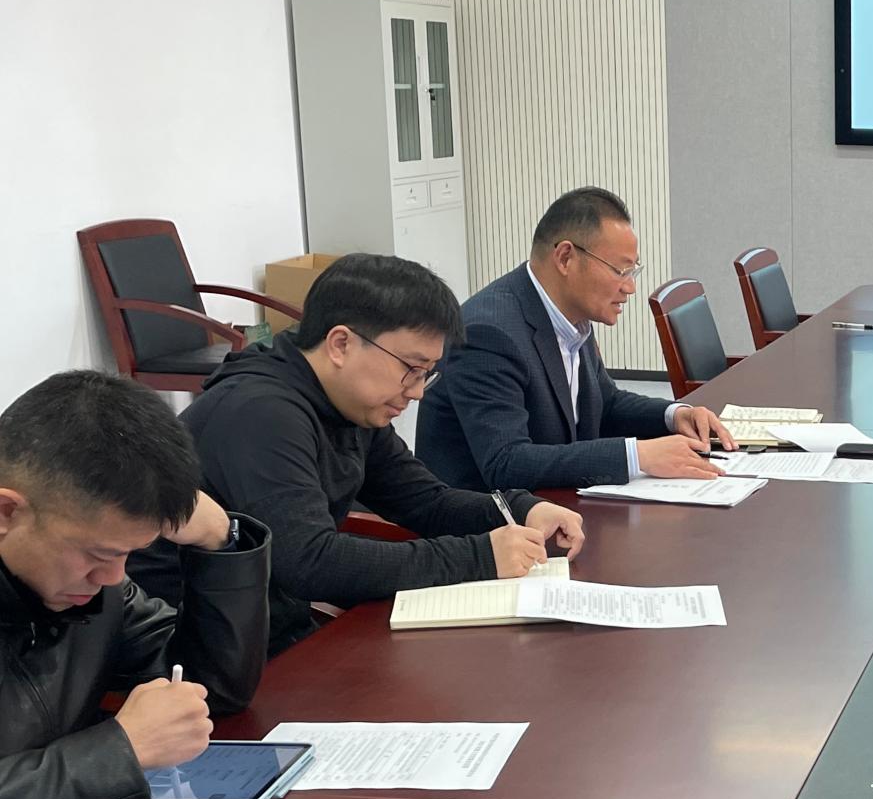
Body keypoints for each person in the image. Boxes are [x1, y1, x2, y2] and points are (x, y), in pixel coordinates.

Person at [133, 253, 584, 654]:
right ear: (341, 344)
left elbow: (425, 501)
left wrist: (520, 509)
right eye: (411, 369)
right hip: (192, 654)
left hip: (271, 631)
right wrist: (481, 556)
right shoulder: (260, 413)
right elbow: (308, 561)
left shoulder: (350, 404)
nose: (417, 392)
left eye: (427, 373)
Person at [0, 371, 271, 799]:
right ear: (6, 512)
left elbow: (211, 690)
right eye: (99, 554)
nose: (113, 577)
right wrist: (122, 749)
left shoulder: (95, 590)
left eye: (130, 553)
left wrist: (221, 541)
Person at [417, 186, 736, 490]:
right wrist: (636, 456)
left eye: (632, 272)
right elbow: (507, 462)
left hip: (554, 505)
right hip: (491, 519)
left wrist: (675, 416)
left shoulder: (571, 314)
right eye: (620, 271)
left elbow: (604, 405)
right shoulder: (489, 333)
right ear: (566, 258)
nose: (630, 287)